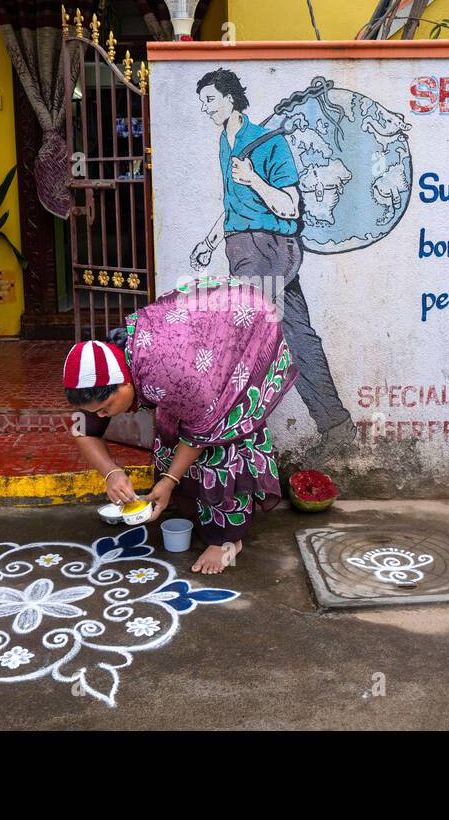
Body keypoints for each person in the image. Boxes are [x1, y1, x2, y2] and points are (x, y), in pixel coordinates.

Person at [65, 278, 296, 575]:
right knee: (170, 425)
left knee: (221, 433)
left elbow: (201, 428)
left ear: (124, 384)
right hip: (197, 338)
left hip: (249, 321)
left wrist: (170, 480)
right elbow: (81, 427)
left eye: (107, 409)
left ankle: (228, 538)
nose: (105, 415)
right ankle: (191, 502)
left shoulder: (170, 374)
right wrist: (111, 472)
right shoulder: (99, 369)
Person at [188, 67, 355, 458]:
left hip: (266, 253)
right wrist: (211, 241)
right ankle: (337, 426)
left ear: (231, 99)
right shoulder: (224, 140)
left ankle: (235, 436)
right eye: (202, 102)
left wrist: (253, 180)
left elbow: (290, 204)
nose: (205, 108)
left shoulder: (269, 143)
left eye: (210, 100)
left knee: (246, 340)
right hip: (244, 249)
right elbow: (233, 202)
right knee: (296, 337)